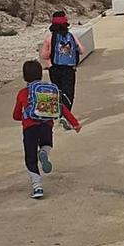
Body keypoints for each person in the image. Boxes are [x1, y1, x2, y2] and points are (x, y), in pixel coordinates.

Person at [12, 60, 81, 199]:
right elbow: (61, 108)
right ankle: (44, 152)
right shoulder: (47, 91)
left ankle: (37, 187)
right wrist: (75, 123)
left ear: (24, 77)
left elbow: (16, 115)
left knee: (30, 158)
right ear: (40, 75)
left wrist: (24, 118)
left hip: (29, 128)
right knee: (47, 144)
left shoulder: (22, 93)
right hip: (46, 126)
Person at [40, 11, 84, 110]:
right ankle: (67, 114)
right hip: (69, 69)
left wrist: (52, 52)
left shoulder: (49, 37)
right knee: (68, 93)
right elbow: (81, 50)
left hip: (54, 68)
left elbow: (44, 55)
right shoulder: (71, 36)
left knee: (57, 92)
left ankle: (59, 113)